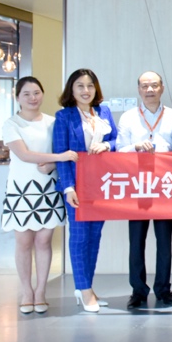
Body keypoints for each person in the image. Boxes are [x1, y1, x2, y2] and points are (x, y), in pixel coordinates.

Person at [0, 76, 75, 314]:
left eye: (36, 93)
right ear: (17, 97)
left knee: (44, 241)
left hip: (48, 188)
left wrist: (53, 164)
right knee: (23, 242)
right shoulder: (12, 124)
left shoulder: (53, 122)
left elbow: (62, 152)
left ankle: (41, 291)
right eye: (26, 94)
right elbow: (24, 155)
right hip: (21, 190)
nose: (32, 98)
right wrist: (58, 158)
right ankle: (26, 291)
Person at [52, 68, 117, 313]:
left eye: (90, 85)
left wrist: (106, 146)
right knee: (79, 237)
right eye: (80, 86)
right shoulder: (64, 116)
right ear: (72, 89)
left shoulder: (103, 112)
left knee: (94, 237)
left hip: (101, 185)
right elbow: (61, 154)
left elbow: (117, 141)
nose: (86, 90)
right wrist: (68, 187)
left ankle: (86, 287)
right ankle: (83, 289)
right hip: (76, 187)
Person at [116, 71, 172, 310]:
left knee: (164, 242)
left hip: (164, 186)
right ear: (139, 89)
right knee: (136, 241)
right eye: (145, 86)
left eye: (154, 85)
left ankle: (163, 289)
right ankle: (138, 291)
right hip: (137, 185)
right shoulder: (128, 117)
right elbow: (118, 149)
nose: (149, 90)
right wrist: (135, 146)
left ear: (162, 88)